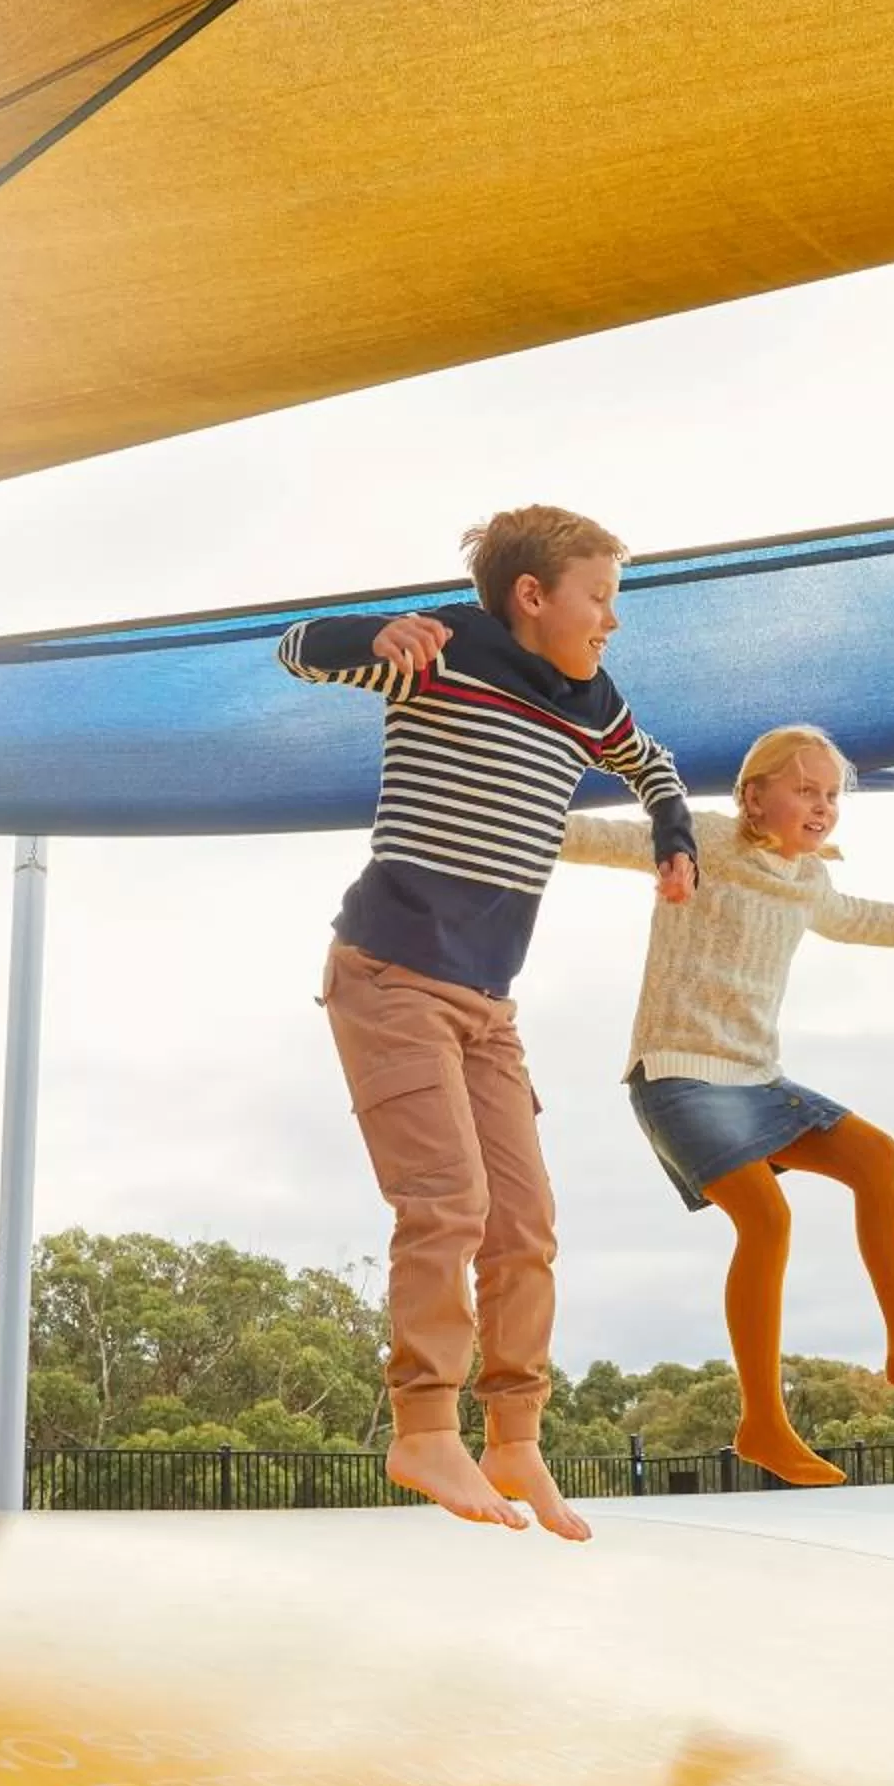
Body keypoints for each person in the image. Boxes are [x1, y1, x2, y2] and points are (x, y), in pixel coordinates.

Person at [278, 506, 696, 1538]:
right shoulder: (438, 653)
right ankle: (424, 1428)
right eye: (598, 597)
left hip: (485, 1006)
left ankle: (513, 1441)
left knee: (523, 1227)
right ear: (532, 595)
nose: (610, 620)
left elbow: (653, 763)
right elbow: (293, 651)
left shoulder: (588, 700)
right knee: (447, 1205)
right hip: (389, 977)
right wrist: (364, 638)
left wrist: (672, 835)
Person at [563, 723, 894, 1487]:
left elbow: (863, 920)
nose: (822, 805)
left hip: (756, 1077)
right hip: (679, 1073)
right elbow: (605, 839)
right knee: (766, 1218)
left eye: (831, 795)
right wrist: (511, 818)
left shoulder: (809, 880)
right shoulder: (708, 840)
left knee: (876, 1157)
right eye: (805, 789)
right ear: (754, 796)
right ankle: (761, 1421)